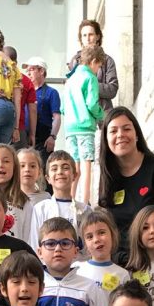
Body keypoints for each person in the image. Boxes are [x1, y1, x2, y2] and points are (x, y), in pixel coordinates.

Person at [97, 107, 154, 263]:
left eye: (126, 129)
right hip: (123, 264)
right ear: (106, 140)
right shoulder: (108, 177)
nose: (120, 135)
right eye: (113, 131)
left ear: (136, 135)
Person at [63, 47, 105, 205]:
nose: (98, 70)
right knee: (87, 165)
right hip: (85, 127)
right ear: (93, 62)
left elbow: (62, 108)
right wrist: (102, 115)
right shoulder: (90, 78)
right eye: (99, 66)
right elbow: (92, 104)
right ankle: (85, 201)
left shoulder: (70, 79)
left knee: (75, 167)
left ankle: (70, 199)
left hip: (70, 128)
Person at [28, 151, 89, 251]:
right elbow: (35, 244)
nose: (60, 172)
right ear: (48, 178)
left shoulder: (85, 210)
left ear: (74, 175)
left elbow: (88, 247)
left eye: (65, 168)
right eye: (54, 169)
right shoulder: (40, 209)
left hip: (78, 260)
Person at [66, 20, 118, 117]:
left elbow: (112, 90)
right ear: (81, 39)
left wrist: (90, 84)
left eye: (91, 34)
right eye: (84, 35)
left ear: (97, 36)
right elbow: (71, 90)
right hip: (81, 116)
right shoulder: (74, 61)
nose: (88, 39)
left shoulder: (108, 61)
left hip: (103, 115)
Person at [76, 209, 130, 300]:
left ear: (113, 235)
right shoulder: (77, 269)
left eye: (101, 233)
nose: (96, 240)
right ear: (85, 243)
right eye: (90, 237)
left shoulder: (123, 275)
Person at [22, 57, 62, 169]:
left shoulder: (51, 92)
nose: (28, 73)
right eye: (27, 71)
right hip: (24, 137)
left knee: (42, 169)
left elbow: (57, 117)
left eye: (31, 69)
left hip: (42, 140)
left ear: (41, 71)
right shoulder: (24, 91)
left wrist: (52, 137)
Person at [3, 47, 36, 150]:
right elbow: (32, 110)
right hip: (19, 128)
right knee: (19, 158)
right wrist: (32, 134)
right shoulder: (26, 81)